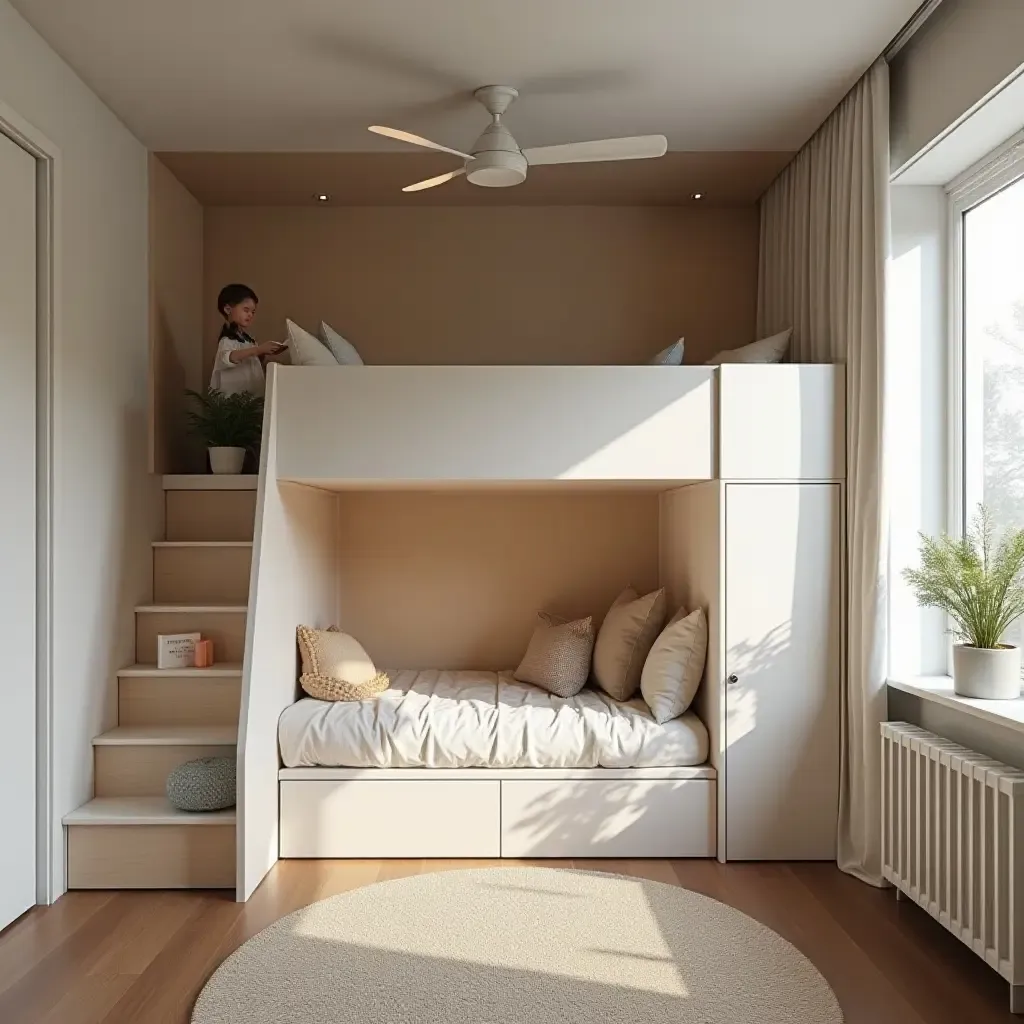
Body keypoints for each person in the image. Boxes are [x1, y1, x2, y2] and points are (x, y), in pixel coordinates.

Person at [209, 283, 286, 397]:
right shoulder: (226, 341)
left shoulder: (249, 341)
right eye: (246, 310)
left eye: (253, 312)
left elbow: (252, 363)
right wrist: (258, 350)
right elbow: (229, 357)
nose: (250, 315)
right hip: (235, 403)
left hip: (252, 400)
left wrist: (263, 353)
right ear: (227, 309)